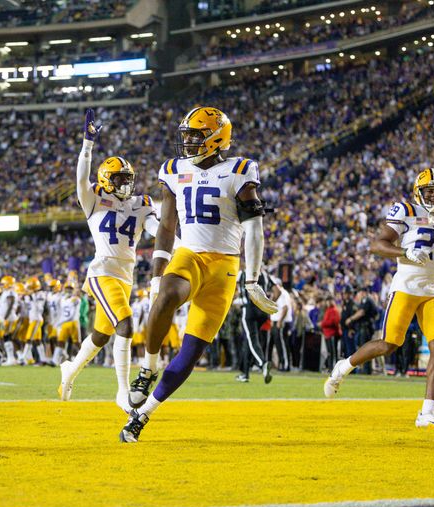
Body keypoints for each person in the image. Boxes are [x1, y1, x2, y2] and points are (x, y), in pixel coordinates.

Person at [120, 105, 277, 442]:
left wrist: (253, 278)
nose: (189, 140)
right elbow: (166, 223)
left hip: (225, 266)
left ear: (217, 137)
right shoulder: (173, 170)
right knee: (166, 296)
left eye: (197, 134)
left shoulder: (240, 170)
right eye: (187, 133)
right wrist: (156, 270)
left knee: (191, 352)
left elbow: (255, 228)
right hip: (189, 254)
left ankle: (142, 416)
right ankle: (148, 367)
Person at [325, 168, 434, 428]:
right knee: (388, 344)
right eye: (429, 191)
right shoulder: (405, 210)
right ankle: (344, 365)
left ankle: (428, 412)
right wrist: (405, 252)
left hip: (432, 289)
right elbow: (377, 244)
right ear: (419, 192)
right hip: (405, 285)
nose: (433, 196)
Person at [58, 109, 159, 411]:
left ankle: (69, 371)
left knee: (102, 334)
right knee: (126, 324)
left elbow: (154, 229)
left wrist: (176, 245)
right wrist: (87, 145)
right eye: (119, 178)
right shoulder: (93, 199)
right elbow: (80, 177)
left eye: (128, 178)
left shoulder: (142, 203)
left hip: (124, 277)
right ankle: (122, 393)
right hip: (102, 272)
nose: (126, 184)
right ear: (105, 179)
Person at [236, 269, 273, 383]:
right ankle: (245, 373)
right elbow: (275, 289)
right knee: (249, 342)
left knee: (252, 340)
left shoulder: (243, 273)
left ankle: (262, 364)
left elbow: (244, 290)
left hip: (249, 309)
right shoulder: (265, 274)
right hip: (263, 311)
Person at [320, 296, 341, 371]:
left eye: (329, 301)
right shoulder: (328, 310)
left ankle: (332, 368)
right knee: (330, 352)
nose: (328, 303)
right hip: (327, 334)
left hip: (332, 333)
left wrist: (322, 324)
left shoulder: (334, 310)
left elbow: (333, 322)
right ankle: (330, 367)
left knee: (332, 352)